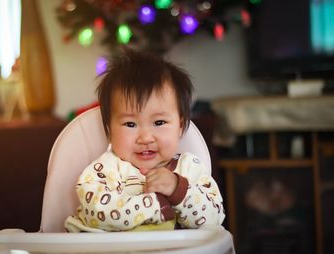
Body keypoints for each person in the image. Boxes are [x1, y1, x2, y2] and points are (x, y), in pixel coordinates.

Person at [65, 49, 224, 232]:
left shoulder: (190, 169)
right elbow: (96, 212)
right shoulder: (106, 170)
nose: (146, 138)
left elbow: (214, 218)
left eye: (159, 122)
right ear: (109, 130)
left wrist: (177, 190)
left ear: (180, 127)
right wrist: (157, 206)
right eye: (130, 124)